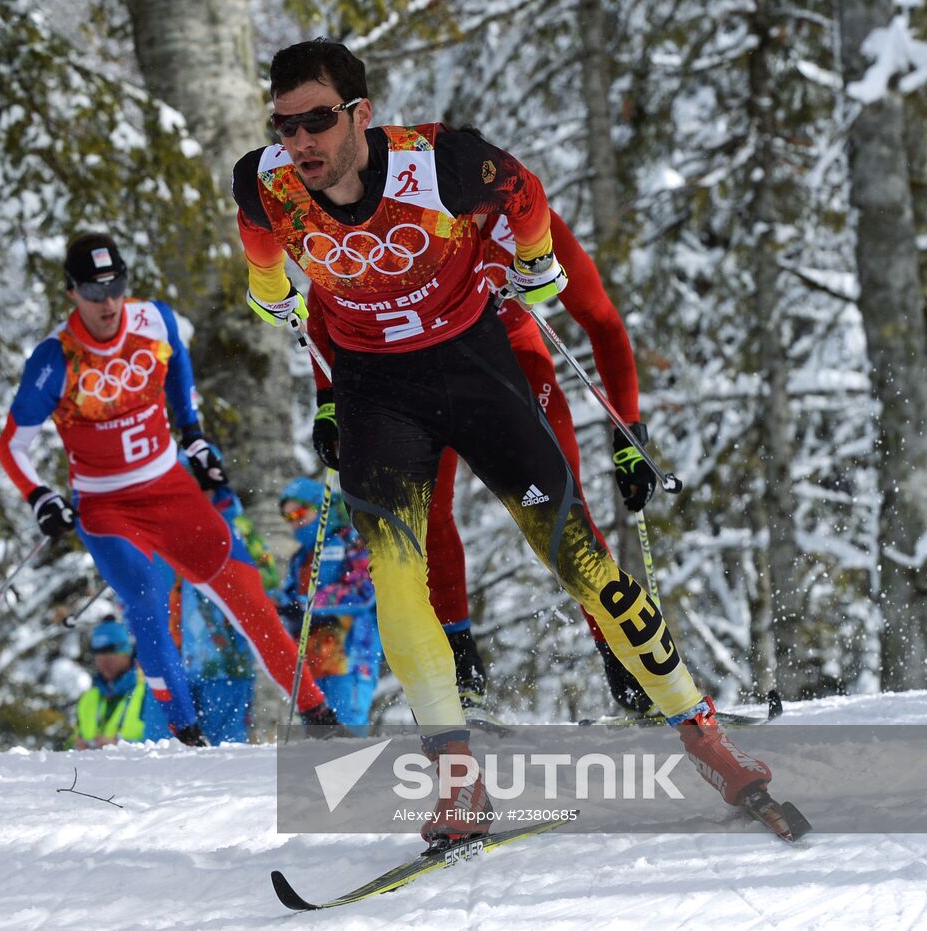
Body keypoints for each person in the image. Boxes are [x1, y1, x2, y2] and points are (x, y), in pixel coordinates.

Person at [231, 39, 770, 849]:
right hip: (376, 391)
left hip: (474, 368)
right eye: (286, 124)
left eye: (317, 121)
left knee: (579, 555)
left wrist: (538, 259)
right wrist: (268, 290)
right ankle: (457, 779)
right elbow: (258, 230)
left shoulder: (439, 163)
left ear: (360, 116)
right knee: (397, 577)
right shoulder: (267, 178)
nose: (301, 141)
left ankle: (706, 738)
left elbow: (525, 191)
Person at [0, 233, 340, 747]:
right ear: (72, 292)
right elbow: (11, 446)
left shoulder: (153, 320)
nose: (108, 302)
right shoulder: (55, 359)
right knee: (145, 602)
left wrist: (194, 435)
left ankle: (320, 718)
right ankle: (185, 733)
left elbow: (177, 364)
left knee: (249, 597)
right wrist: (40, 496)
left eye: (116, 287)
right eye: (93, 292)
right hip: (107, 506)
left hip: (172, 489)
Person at [307, 211, 654, 716]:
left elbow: (600, 319)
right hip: (421, 366)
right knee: (430, 512)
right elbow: (326, 303)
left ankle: (630, 664)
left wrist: (630, 433)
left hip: (514, 358)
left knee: (562, 510)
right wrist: (329, 399)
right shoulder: (402, 223)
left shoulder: (525, 220)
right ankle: (462, 672)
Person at [274, 477, 380, 729]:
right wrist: (281, 604)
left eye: (300, 512)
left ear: (321, 508)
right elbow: (290, 595)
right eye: (288, 518)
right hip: (311, 663)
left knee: (347, 732)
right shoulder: (302, 555)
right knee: (318, 740)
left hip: (349, 656)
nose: (295, 522)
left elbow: (364, 590)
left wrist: (307, 603)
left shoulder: (351, 541)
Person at [166, 483, 263, 744]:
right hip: (179, 663)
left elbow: (265, 580)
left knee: (225, 750)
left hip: (226, 664)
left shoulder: (235, 524)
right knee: (173, 753)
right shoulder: (170, 527)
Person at [72, 619, 170, 749]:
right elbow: (71, 744)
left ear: (128, 652)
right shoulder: (88, 699)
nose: (104, 659)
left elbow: (166, 746)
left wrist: (121, 747)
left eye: (111, 651)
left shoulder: (151, 692)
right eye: (98, 652)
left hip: (137, 768)